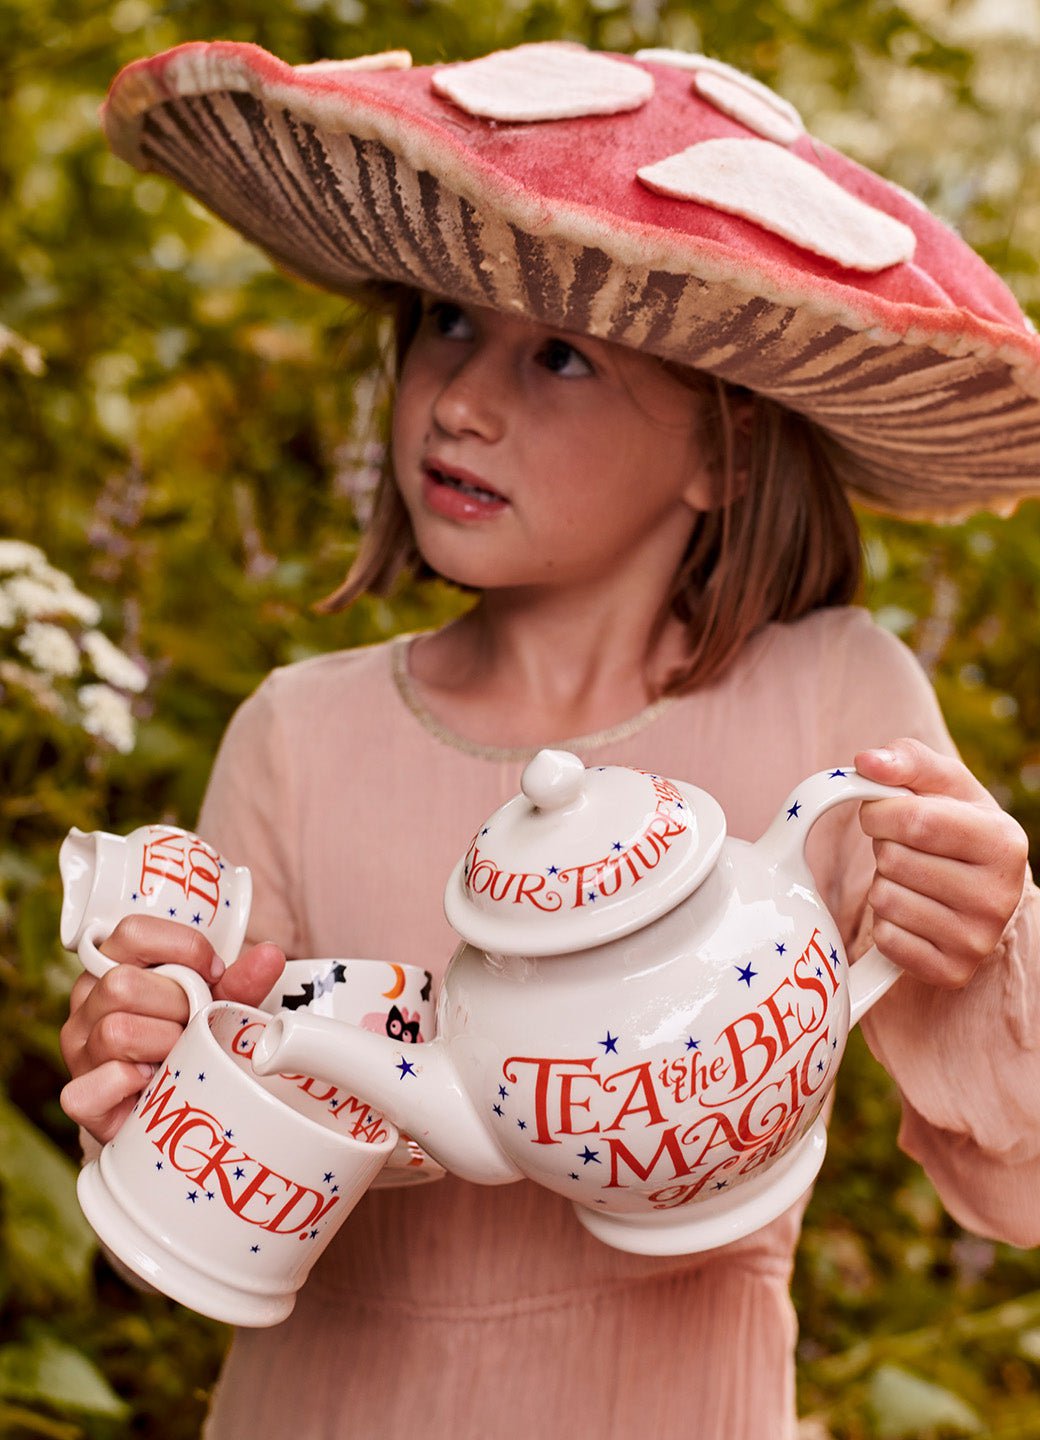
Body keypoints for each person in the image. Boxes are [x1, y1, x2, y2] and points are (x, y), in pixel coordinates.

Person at [59, 39, 1040, 1440]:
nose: (462, 400)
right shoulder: (300, 731)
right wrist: (151, 1057)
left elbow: (1019, 1185)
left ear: (724, 454)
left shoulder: (832, 704)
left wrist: (991, 935)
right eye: (445, 328)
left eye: (561, 356)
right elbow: (191, 1209)